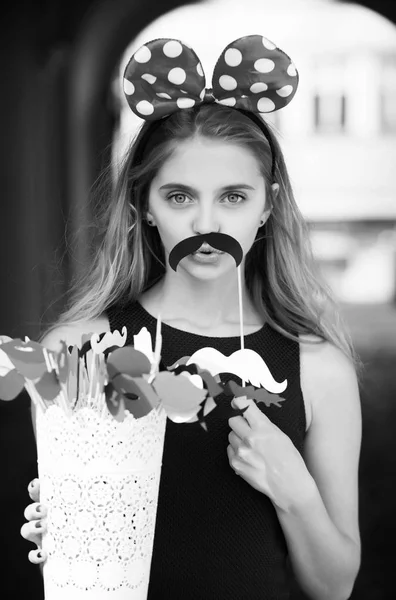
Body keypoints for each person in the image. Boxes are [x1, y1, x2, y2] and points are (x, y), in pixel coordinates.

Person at [21, 35, 362, 600]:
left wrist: (293, 489)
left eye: (233, 197)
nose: (207, 223)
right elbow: (73, 576)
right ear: (146, 207)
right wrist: (64, 540)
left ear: (268, 205)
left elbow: (334, 586)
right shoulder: (79, 355)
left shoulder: (320, 372)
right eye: (179, 196)